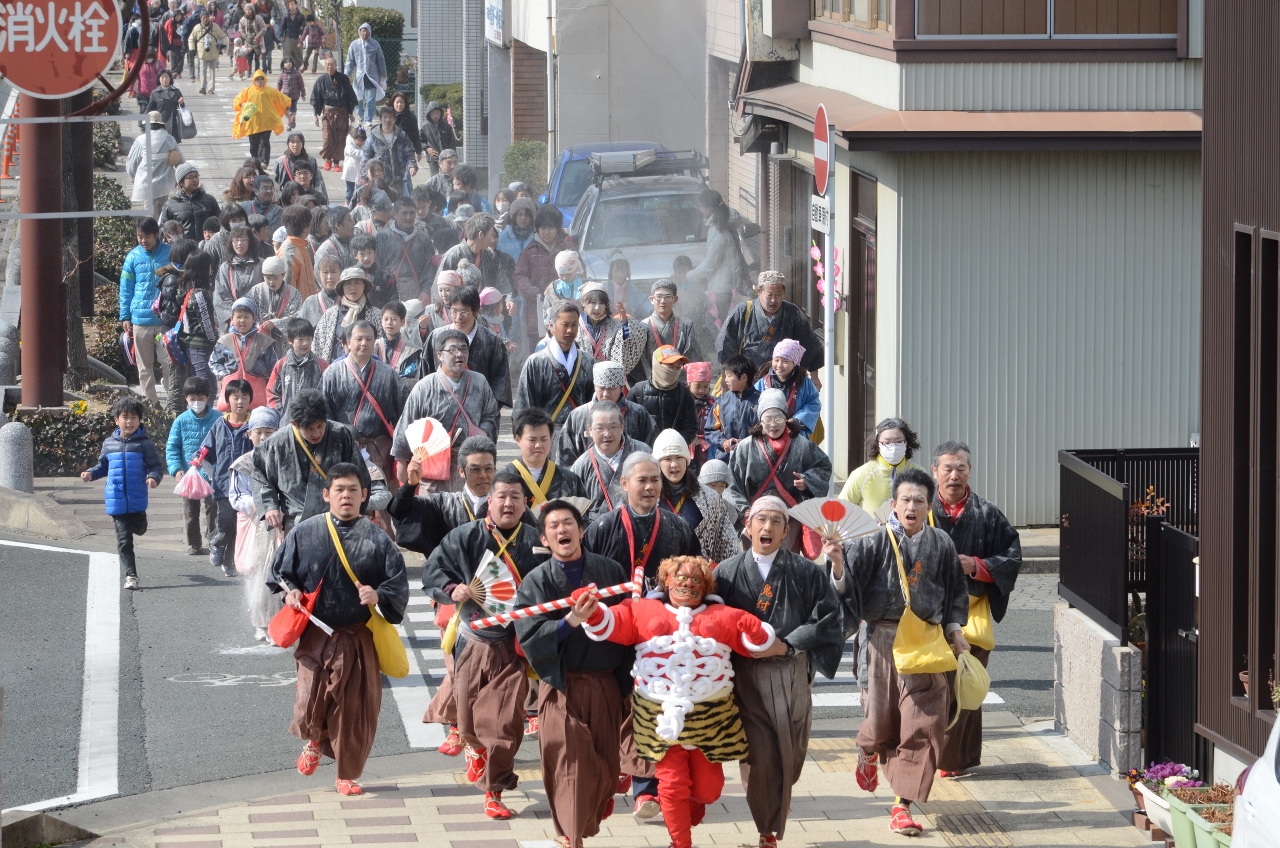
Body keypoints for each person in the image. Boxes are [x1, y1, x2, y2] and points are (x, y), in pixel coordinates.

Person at [579, 556, 770, 848]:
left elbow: (755, 644)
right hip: (660, 716)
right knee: (672, 784)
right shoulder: (642, 608)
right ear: (667, 580)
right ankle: (680, 843)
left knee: (709, 790)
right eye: (680, 578)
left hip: (709, 718)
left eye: (696, 580)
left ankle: (688, 811)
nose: (687, 584)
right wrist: (593, 614)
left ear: (706, 587)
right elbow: (612, 622)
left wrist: (756, 631)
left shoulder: (723, 613)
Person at [831, 467, 969, 836]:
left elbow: (955, 591)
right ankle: (868, 748)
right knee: (882, 724)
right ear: (893, 503)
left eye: (919, 501)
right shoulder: (870, 542)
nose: (912, 506)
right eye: (905, 499)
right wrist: (838, 565)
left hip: (925, 644)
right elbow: (847, 592)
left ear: (929, 505)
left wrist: (955, 631)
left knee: (922, 724)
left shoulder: (941, 544)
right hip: (881, 641)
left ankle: (901, 805)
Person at [270, 462, 409, 797]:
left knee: (353, 709)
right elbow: (280, 573)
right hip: (316, 632)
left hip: (357, 635)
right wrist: (290, 592)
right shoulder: (306, 531)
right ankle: (314, 740)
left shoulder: (378, 539)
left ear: (364, 496)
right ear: (326, 495)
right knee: (309, 699)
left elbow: (397, 585)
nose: (346, 496)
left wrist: (378, 595)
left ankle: (347, 774)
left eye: (352, 490)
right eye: (339, 490)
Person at [714, 496, 846, 847]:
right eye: (761, 520)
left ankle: (777, 797)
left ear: (787, 531)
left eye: (776, 521)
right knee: (759, 754)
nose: (767, 527)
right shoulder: (727, 572)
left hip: (792, 670)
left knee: (792, 752)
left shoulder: (806, 571)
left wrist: (787, 645)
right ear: (748, 525)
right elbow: (709, 617)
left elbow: (827, 617)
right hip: (747, 676)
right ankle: (767, 829)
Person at [422, 470, 544, 818]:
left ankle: (493, 792)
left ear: (526, 503)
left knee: (505, 723)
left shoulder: (538, 542)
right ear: (488, 500)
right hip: (474, 641)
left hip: (513, 647)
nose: (507, 503)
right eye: (501, 496)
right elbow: (434, 571)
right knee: (472, 720)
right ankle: (474, 749)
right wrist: (452, 590)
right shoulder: (464, 537)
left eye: (515, 497)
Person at [512, 501, 631, 848]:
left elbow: (629, 622)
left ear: (582, 531)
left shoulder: (609, 571)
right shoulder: (536, 581)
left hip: (605, 683)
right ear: (545, 539)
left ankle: (581, 820)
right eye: (554, 527)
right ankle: (570, 838)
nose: (562, 530)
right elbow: (529, 636)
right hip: (563, 686)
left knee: (606, 768)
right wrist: (570, 622)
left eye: (569, 523)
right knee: (570, 765)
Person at [927, 441, 1022, 777]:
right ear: (934, 471)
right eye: (947, 468)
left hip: (972, 611)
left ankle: (952, 760)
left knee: (966, 684)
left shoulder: (987, 513)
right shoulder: (920, 509)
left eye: (961, 468)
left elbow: (1012, 557)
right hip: (926, 614)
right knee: (930, 685)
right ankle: (929, 753)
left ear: (970, 471)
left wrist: (977, 565)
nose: (954, 475)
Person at [723, 389, 832, 555]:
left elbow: (823, 466)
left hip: (789, 517)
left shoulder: (802, 445)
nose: (773, 423)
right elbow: (731, 484)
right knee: (755, 561)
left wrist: (807, 481)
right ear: (760, 420)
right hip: (755, 515)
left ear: (786, 419)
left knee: (788, 563)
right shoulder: (745, 448)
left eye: (778, 417)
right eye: (767, 418)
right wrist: (743, 510)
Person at [391, 329, 500, 487]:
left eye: (463, 349)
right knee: (432, 509)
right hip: (433, 464)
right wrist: (402, 463)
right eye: (452, 349)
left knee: (468, 508)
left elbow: (491, 415)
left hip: (469, 462)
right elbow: (406, 425)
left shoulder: (479, 381)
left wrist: (482, 434)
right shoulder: (424, 386)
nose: (459, 354)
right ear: (439, 355)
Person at [253, 388, 371, 533]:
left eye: (320, 426)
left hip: (336, 517)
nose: (316, 433)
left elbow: (359, 476)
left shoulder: (340, 434)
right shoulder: (276, 443)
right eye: (309, 429)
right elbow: (260, 476)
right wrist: (270, 506)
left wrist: (356, 512)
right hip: (295, 521)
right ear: (295, 424)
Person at [82, 397, 164, 591]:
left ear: (140, 420)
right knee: (124, 541)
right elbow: (103, 466)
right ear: (116, 420)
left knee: (140, 529)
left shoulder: (144, 444)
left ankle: (141, 520)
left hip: (137, 500)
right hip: (116, 500)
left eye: (134, 417)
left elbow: (156, 465)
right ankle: (131, 575)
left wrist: (153, 477)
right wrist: (91, 474)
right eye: (125, 417)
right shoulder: (109, 443)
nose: (129, 422)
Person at [321, 320, 401, 481]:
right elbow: (324, 414)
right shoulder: (332, 373)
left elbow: (400, 413)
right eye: (359, 339)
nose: (364, 343)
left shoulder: (388, 374)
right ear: (348, 343)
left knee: (379, 496)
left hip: (378, 448)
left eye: (369, 339)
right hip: (342, 446)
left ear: (375, 342)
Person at [228, 405, 282, 640]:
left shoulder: (285, 459)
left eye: (269, 432)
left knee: (281, 573)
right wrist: (258, 505)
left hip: (280, 524)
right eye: (258, 432)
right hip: (255, 526)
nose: (263, 437)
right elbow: (235, 496)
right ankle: (260, 622)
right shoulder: (243, 463)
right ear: (249, 433)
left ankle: (280, 623)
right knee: (257, 574)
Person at [715, 272, 825, 383]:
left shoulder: (792, 313)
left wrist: (815, 378)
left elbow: (809, 345)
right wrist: (725, 379)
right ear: (759, 291)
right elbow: (726, 348)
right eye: (770, 294)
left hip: (783, 381)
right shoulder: (742, 311)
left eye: (778, 294)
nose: (774, 300)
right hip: (747, 381)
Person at [652, 430, 740, 563]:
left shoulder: (709, 497)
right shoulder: (647, 496)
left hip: (697, 575)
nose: (674, 464)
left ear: (687, 460)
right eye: (667, 459)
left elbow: (727, 541)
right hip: (656, 574)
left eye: (679, 457)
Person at [196, 378, 256, 574]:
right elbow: (207, 449)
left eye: (244, 397)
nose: (240, 402)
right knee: (227, 519)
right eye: (235, 397)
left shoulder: (254, 425)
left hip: (247, 486)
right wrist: (199, 458)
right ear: (227, 400)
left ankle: (230, 561)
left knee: (239, 525)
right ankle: (217, 542)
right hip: (223, 483)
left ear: (250, 400)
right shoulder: (219, 424)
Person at [554, 361, 657, 468]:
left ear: (622, 388)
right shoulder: (577, 416)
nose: (606, 394)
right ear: (595, 386)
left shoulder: (639, 413)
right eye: (602, 388)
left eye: (612, 388)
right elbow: (565, 461)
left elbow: (652, 451)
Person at [422, 287, 511, 407]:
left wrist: (490, 409)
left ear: (476, 311)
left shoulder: (491, 340)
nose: (458, 317)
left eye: (464, 311)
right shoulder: (436, 337)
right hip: (441, 409)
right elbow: (425, 374)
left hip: (479, 411)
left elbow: (501, 379)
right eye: (454, 311)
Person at [514, 301, 595, 427]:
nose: (570, 330)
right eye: (565, 325)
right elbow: (524, 406)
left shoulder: (587, 361)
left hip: (581, 432)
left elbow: (594, 402)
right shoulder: (535, 362)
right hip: (546, 434)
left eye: (574, 325)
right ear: (551, 326)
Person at [570, 401, 653, 524]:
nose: (607, 434)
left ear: (622, 427)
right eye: (600, 428)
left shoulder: (643, 453)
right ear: (590, 430)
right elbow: (574, 512)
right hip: (599, 536)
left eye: (613, 427)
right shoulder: (581, 465)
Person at [120, 218, 173, 405]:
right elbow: (126, 288)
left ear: (156, 235)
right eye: (139, 236)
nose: (143, 240)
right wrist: (125, 315)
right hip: (140, 320)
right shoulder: (132, 257)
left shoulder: (170, 253)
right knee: (144, 366)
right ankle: (150, 404)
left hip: (164, 320)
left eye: (147, 236)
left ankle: (172, 399)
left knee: (167, 362)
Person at [839, 417, 927, 518]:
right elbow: (842, 507)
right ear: (877, 445)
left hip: (910, 533)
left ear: (907, 443)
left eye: (899, 442)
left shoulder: (918, 473)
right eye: (887, 442)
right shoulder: (862, 474)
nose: (893, 447)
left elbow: (929, 507)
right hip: (871, 533)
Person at [685, 188, 748, 325]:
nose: (700, 209)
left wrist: (691, 275)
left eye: (700, 206)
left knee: (713, 324)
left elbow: (711, 263)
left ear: (708, 207)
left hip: (722, 289)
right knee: (726, 324)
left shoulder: (717, 230)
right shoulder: (727, 223)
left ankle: (719, 347)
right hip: (729, 284)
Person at [505, 407, 587, 508]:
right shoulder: (504, 478)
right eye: (532, 440)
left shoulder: (570, 480)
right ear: (518, 440)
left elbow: (581, 519)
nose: (538, 445)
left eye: (544, 439)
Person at [210, 297, 278, 410]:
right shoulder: (224, 341)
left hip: (256, 391)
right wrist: (224, 375)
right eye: (238, 317)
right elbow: (214, 362)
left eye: (246, 317)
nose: (242, 320)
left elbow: (273, 367)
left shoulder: (265, 341)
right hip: (231, 390)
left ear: (254, 319)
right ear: (232, 318)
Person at [167, 248, 220, 386]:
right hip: (200, 346)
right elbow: (207, 325)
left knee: (199, 386)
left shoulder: (187, 289)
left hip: (189, 344)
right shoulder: (199, 294)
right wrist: (217, 342)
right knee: (206, 386)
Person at [629, 346, 698, 449]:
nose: (674, 370)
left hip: (673, 454)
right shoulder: (637, 391)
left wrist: (675, 446)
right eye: (670, 365)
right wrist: (642, 448)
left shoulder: (684, 393)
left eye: (678, 366)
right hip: (644, 455)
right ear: (657, 364)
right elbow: (629, 426)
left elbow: (691, 426)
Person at [575, 283, 646, 381]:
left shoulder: (616, 325)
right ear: (583, 302)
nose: (597, 307)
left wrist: (625, 322)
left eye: (601, 303)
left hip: (609, 382)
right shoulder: (574, 325)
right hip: (582, 381)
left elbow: (629, 343)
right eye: (592, 302)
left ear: (606, 305)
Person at [754, 339, 821, 440]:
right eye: (776, 360)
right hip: (768, 434)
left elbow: (813, 403)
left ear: (794, 363)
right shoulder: (762, 382)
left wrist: (797, 421)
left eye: (785, 361)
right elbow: (752, 405)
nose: (779, 365)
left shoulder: (804, 383)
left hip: (795, 435)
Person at [313, 267, 381, 361]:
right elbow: (318, 346)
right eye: (348, 283)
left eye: (357, 283)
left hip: (368, 370)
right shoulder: (330, 315)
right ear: (342, 288)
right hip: (336, 370)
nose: (353, 287)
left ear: (364, 286)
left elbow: (382, 348)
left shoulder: (376, 314)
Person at [376, 197, 435, 302]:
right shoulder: (383, 236)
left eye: (412, 213)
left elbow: (429, 267)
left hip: (417, 291)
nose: (409, 217)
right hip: (390, 290)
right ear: (395, 213)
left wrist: (426, 291)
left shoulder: (424, 238)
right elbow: (377, 265)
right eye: (404, 213)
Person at [639, 279, 698, 380]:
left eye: (667, 297)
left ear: (675, 299)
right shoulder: (642, 326)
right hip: (651, 382)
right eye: (659, 296)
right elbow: (641, 362)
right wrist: (652, 382)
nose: (663, 301)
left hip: (680, 382)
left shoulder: (686, 325)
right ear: (651, 299)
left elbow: (693, 358)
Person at [233, 69, 294, 164]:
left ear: (264, 80)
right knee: (253, 144)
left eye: (261, 79)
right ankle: (255, 161)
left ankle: (264, 162)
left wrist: (289, 114)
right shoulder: (248, 91)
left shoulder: (270, 91)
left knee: (264, 143)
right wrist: (244, 105)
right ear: (254, 80)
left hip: (267, 123)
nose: (259, 81)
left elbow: (282, 100)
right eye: (257, 79)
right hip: (253, 123)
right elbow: (237, 101)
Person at [127, 112, 181, 219]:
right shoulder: (169, 139)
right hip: (165, 183)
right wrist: (180, 181)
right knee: (163, 212)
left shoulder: (141, 140)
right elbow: (180, 161)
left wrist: (133, 178)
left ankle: (152, 233)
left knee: (149, 213)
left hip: (146, 183)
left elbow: (132, 163)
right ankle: (162, 233)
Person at [706, 354, 758, 461]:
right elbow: (710, 430)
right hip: (726, 459)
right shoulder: (721, 401)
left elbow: (767, 432)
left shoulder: (761, 401)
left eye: (729, 376)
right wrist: (723, 442)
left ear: (744, 377)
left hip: (753, 461)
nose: (725, 380)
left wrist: (747, 444)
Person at [247, 255, 302, 355]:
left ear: (283, 275)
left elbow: (297, 317)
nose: (272, 282)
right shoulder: (255, 291)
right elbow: (247, 312)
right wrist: (260, 325)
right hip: (259, 340)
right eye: (268, 278)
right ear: (263, 275)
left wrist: (275, 323)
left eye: (276, 278)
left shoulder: (294, 294)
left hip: (284, 344)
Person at [310, 56, 357, 171]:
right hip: (328, 114)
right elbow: (316, 98)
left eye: (332, 65)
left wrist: (350, 113)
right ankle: (328, 159)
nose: (330, 67)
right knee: (328, 138)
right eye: (328, 65)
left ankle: (336, 162)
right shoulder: (321, 80)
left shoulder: (343, 79)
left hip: (342, 113)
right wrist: (315, 114)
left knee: (340, 138)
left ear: (336, 66)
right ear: (325, 66)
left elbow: (350, 96)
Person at [215, 224, 265, 329]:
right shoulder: (225, 268)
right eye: (236, 240)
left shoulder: (261, 264)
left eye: (243, 240)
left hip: (258, 322)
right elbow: (220, 298)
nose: (239, 244)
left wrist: (253, 318)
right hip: (234, 322)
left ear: (250, 242)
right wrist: (236, 317)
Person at [159, 164, 220, 243]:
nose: (195, 180)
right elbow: (162, 229)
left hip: (206, 246)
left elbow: (220, 222)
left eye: (196, 176)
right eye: (190, 177)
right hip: (183, 248)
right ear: (181, 183)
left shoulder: (209, 200)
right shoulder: (171, 204)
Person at [344, 21, 386, 126]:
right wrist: (345, 77)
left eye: (367, 31)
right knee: (358, 98)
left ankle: (368, 119)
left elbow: (381, 61)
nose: (365, 34)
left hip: (372, 77)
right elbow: (350, 62)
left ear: (370, 32)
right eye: (363, 31)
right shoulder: (354, 45)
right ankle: (360, 115)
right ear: (359, 32)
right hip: (359, 77)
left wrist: (383, 77)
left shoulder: (375, 44)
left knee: (370, 99)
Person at [277, 204, 318, 298]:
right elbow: (287, 290)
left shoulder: (302, 246)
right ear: (305, 227)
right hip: (297, 309)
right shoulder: (289, 253)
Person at [274, 132, 327, 202]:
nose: (295, 145)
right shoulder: (280, 162)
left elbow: (318, 183)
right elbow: (275, 184)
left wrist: (321, 199)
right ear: (288, 144)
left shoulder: (311, 160)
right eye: (292, 142)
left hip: (308, 196)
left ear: (302, 143)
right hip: (288, 198)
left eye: (298, 142)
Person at [188, 10, 228, 94]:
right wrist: (192, 49)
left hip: (213, 51)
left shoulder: (215, 27)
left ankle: (211, 89)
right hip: (202, 52)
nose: (205, 19)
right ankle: (203, 87)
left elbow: (223, 35)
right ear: (201, 18)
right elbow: (191, 38)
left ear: (208, 17)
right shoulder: (197, 27)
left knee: (212, 71)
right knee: (202, 70)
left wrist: (223, 44)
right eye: (203, 18)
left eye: (206, 17)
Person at [313, 205, 355, 277]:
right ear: (338, 225)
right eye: (349, 220)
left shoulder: (356, 243)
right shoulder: (325, 250)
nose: (353, 223)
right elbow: (320, 277)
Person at [146, 69, 186, 144]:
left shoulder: (176, 91)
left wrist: (182, 103)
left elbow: (182, 107)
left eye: (167, 77)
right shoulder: (155, 93)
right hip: (160, 124)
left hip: (173, 124)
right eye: (162, 77)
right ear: (159, 79)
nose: (165, 79)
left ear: (170, 79)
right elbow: (149, 109)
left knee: (173, 150)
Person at [687, 363, 716, 466]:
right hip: (688, 445)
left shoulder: (714, 403)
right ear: (689, 384)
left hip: (709, 446)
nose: (701, 390)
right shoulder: (683, 403)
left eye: (706, 386)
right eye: (697, 386)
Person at [302, 254, 342, 329]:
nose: (329, 277)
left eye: (333, 272)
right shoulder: (310, 302)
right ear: (318, 273)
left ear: (340, 273)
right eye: (325, 272)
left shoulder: (348, 300)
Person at [419, 100, 458, 175]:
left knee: (447, 176)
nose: (435, 115)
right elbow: (420, 141)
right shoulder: (425, 127)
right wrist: (427, 148)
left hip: (447, 158)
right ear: (429, 114)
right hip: (433, 158)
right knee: (435, 177)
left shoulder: (446, 126)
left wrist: (453, 156)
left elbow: (452, 142)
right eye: (433, 113)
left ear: (441, 113)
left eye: (437, 113)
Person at [275, 56, 306, 131]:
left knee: (293, 109)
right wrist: (277, 94)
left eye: (289, 62)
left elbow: (301, 84)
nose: (288, 64)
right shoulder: (282, 74)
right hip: (285, 96)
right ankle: (291, 121)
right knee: (286, 110)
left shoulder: (297, 73)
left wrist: (303, 94)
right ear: (283, 64)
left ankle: (291, 123)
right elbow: (279, 85)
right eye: (286, 63)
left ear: (292, 63)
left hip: (295, 95)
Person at [135, 49, 165, 115]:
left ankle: (153, 124)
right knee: (143, 110)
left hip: (156, 93)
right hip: (142, 93)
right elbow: (132, 77)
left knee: (155, 112)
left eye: (151, 57)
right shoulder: (139, 64)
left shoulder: (158, 64)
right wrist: (130, 89)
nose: (150, 59)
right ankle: (142, 123)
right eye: (148, 57)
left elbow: (164, 75)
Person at [277, 0, 306, 70]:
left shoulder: (301, 16)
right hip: (288, 37)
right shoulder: (286, 16)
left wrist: (301, 34)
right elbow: (282, 27)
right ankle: (286, 68)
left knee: (298, 55)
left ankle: (296, 68)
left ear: (296, 5)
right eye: (290, 5)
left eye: (292, 4)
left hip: (297, 38)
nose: (291, 6)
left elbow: (304, 27)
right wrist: (281, 36)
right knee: (287, 54)